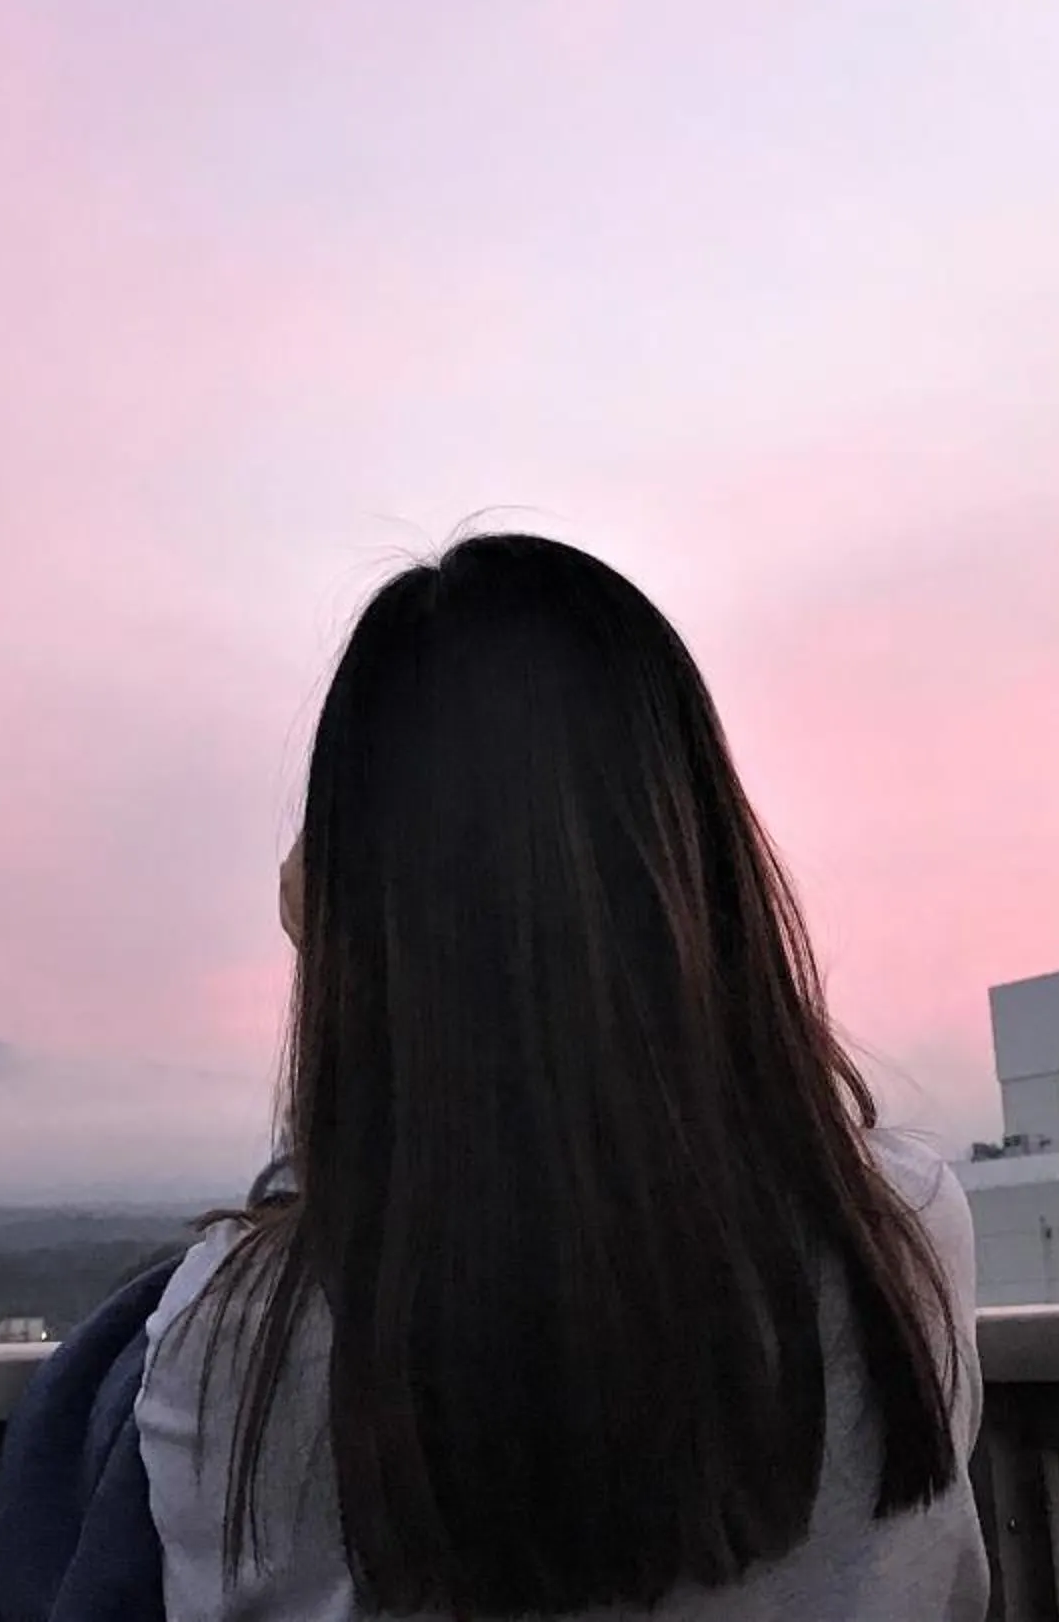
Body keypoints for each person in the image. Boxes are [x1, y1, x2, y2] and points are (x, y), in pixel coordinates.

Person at [136, 533, 986, 1621]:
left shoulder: (241, 1348)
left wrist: (343, 989)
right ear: (701, 859)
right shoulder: (899, 1238)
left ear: (364, 924)